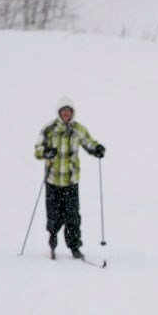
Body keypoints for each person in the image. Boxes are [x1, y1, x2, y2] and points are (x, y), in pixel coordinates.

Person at [34, 96, 105, 260]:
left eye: (69, 111)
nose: (66, 113)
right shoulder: (49, 129)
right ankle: (53, 241)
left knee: (73, 216)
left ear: (72, 113)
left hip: (71, 181)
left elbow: (89, 143)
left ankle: (75, 246)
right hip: (52, 181)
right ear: (59, 112)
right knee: (54, 216)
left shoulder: (77, 129)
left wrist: (97, 149)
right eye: (63, 111)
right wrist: (45, 152)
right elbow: (38, 149)